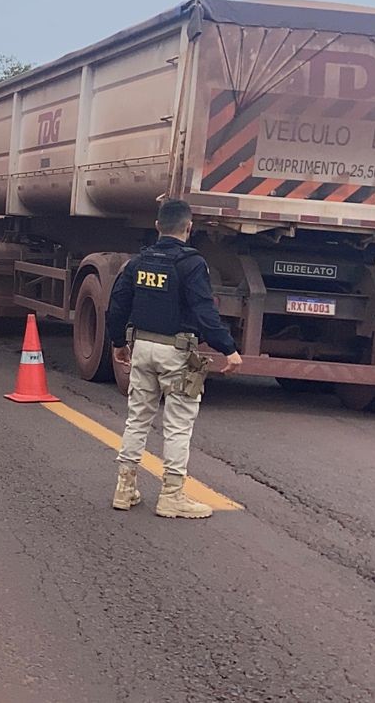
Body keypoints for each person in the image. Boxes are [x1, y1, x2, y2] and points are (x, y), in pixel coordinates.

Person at [104, 198, 243, 519]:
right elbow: (204, 310)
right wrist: (228, 348)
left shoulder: (138, 263)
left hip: (141, 347)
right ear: (189, 228)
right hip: (177, 352)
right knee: (178, 425)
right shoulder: (192, 264)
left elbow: (118, 305)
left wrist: (118, 342)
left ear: (157, 227)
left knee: (137, 418)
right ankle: (171, 495)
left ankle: (124, 489)